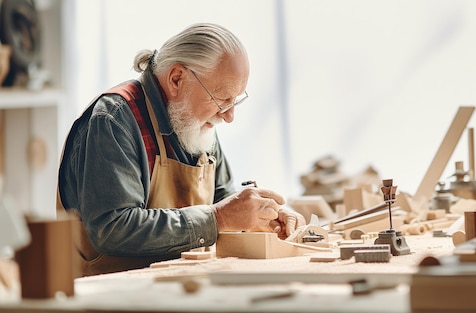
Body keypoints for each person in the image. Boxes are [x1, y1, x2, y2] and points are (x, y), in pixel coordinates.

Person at [57, 23, 305, 276]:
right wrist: (218, 219)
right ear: (177, 79)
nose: (229, 116)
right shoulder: (113, 120)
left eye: (235, 101)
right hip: (106, 292)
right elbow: (113, 228)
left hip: (174, 284)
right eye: (222, 99)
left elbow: (222, 200)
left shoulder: (194, 120)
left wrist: (262, 216)